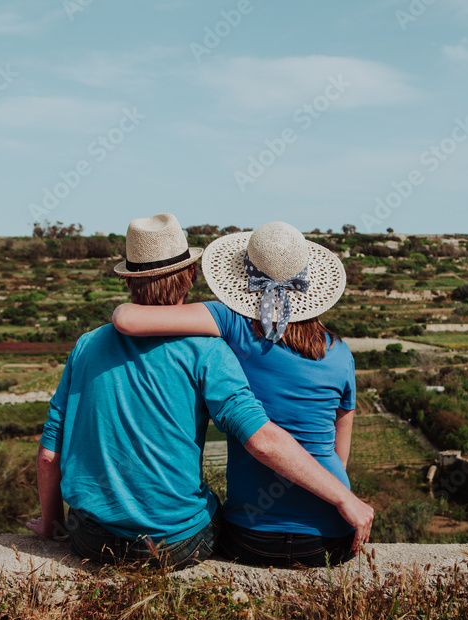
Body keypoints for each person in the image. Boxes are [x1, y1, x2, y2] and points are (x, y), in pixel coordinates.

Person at [27, 214, 372, 570]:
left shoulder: (87, 345)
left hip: (91, 538)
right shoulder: (211, 351)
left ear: (128, 279)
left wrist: (52, 524)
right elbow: (275, 442)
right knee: (208, 510)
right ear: (191, 274)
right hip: (181, 544)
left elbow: (49, 456)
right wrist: (343, 497)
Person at [112, 221, 359, 567]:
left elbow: (126, 319)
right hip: (332, 536)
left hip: (252, 537)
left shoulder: (231, 322)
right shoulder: (341, 354)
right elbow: (340, 456)